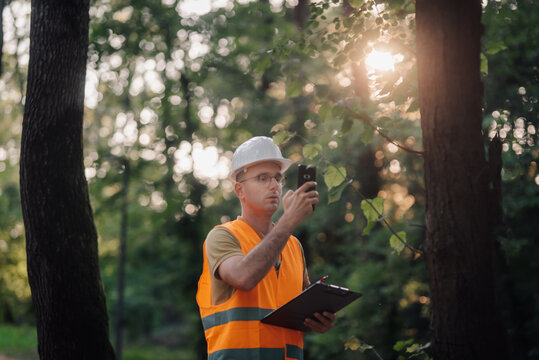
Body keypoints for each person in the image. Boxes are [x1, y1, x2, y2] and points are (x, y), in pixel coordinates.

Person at [196, 136, 336, 360]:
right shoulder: (222, 236)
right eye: (262, 178)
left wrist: (318, 320)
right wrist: (289, 221)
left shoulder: (293, 245)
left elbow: (298, 313)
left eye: (278, 178)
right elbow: (244, 277)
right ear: (240, 190)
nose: (274, 185)